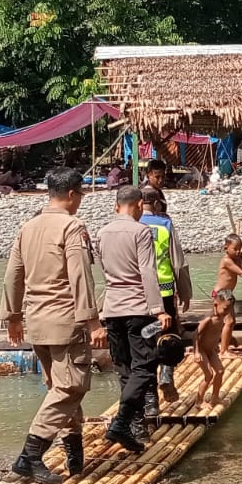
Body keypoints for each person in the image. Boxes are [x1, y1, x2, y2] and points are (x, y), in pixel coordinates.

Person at [3, 168, 99, 484]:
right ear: (72, 194)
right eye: (80, 195)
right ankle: (30, 454)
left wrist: (13, 316)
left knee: (58, 387)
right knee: (71, 386)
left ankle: (74, 456)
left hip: (36, 322)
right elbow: (80, 277)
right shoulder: (72, 227)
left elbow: (13, 275)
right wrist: (93, 321)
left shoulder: (27, 227)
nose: (80, 202)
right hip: (65, 321)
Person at [95, 184, 170, 454]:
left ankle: (132, 426)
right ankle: (123, 420)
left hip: (112, 309)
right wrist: (158, 309)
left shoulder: (102, 233)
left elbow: (104, 271)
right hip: (138, 308)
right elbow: (147, 271)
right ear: (139, 205)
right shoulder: (140, 231)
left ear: (116, 206)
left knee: (124, 367)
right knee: (145, 365)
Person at [140, 184, 192, 321]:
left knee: (143, 333)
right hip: (164, 288)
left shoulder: (132, 224)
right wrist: (185, 293)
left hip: (138, 290)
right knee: (166, 330)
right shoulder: (165, 224)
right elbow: (178, 263)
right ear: (157, 204)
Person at [193, 289, 233, 404]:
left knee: (220, 371)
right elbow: (195, 335)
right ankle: (199, 402)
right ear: (216, 304)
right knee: (209, 374)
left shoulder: (221, 318)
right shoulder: (208, 320)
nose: (227, 312)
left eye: (229, 309)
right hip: (201, 350)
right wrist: (196, 352)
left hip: (211, 350)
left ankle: (215, 397)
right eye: (225, 309)